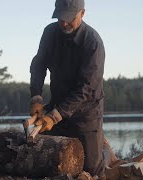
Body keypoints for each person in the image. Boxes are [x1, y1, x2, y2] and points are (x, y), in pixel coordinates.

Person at [29, 0, 106, 178]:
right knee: (52, 163)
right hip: (57, 105)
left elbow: (87, 89)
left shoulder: (93, 43)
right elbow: (38, 65)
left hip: (86, 114)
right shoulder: (50, 32)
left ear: (83, 13)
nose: (63, 23)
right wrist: (36, 97)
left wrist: (55, 115)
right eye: (60, 17)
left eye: (69, 18)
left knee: (90, 169)